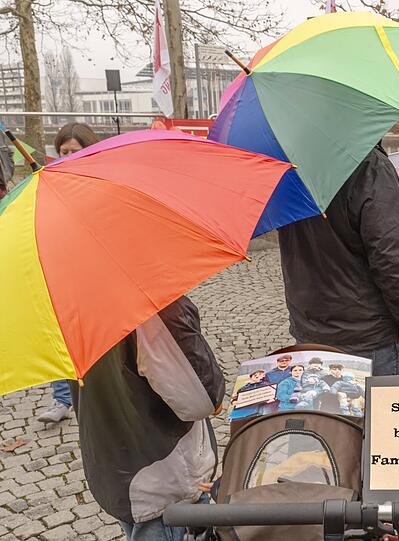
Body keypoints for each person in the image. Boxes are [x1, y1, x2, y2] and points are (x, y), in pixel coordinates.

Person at [70, 295, 225, 541]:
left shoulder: (72, 304)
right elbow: (202, 400)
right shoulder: (149, 308)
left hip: (116, 468)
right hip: (163, 480)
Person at [278, 143, 399, 376]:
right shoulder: (369, 166)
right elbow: (393, 256)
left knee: (323, 411)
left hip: (310, 325)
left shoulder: (291, 164)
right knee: (371, 411)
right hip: (366, 335)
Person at [37, 122, 101, 424]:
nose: (68, 156)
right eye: (63, 151)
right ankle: (62, 399)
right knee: (60, 334)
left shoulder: (99, 182)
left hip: (95, 272)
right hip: (63, 270)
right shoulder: (49, 185)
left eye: (75, 151)